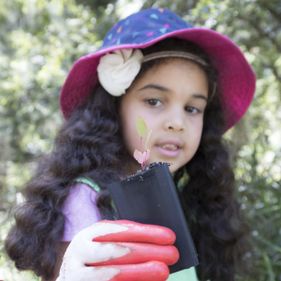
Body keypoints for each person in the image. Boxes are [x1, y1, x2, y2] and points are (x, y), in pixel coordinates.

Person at [5, 7, 255, 281]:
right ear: (114, 109)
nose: (177, 122)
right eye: (154, 101)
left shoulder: (181, 198)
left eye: (192, 108)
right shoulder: (85, 198)